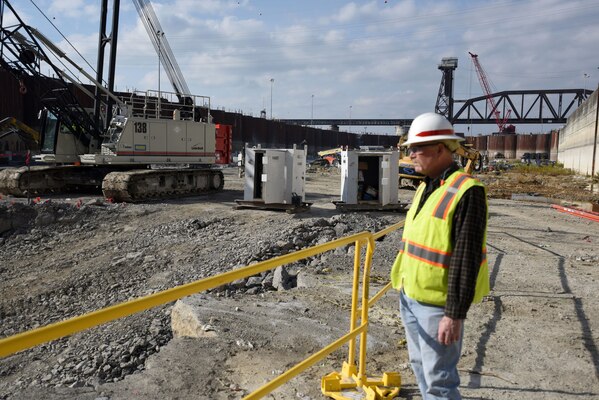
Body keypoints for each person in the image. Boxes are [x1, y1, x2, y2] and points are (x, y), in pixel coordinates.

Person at [390, 112, 490, 399]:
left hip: (438, 306)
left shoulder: (467, 191)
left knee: (440, 382)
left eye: (416, 148)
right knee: (421, 368)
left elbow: (466, 256)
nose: (411, 155)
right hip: (410, 296)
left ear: (440, 149)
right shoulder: (426, 186)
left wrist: (454, 314)